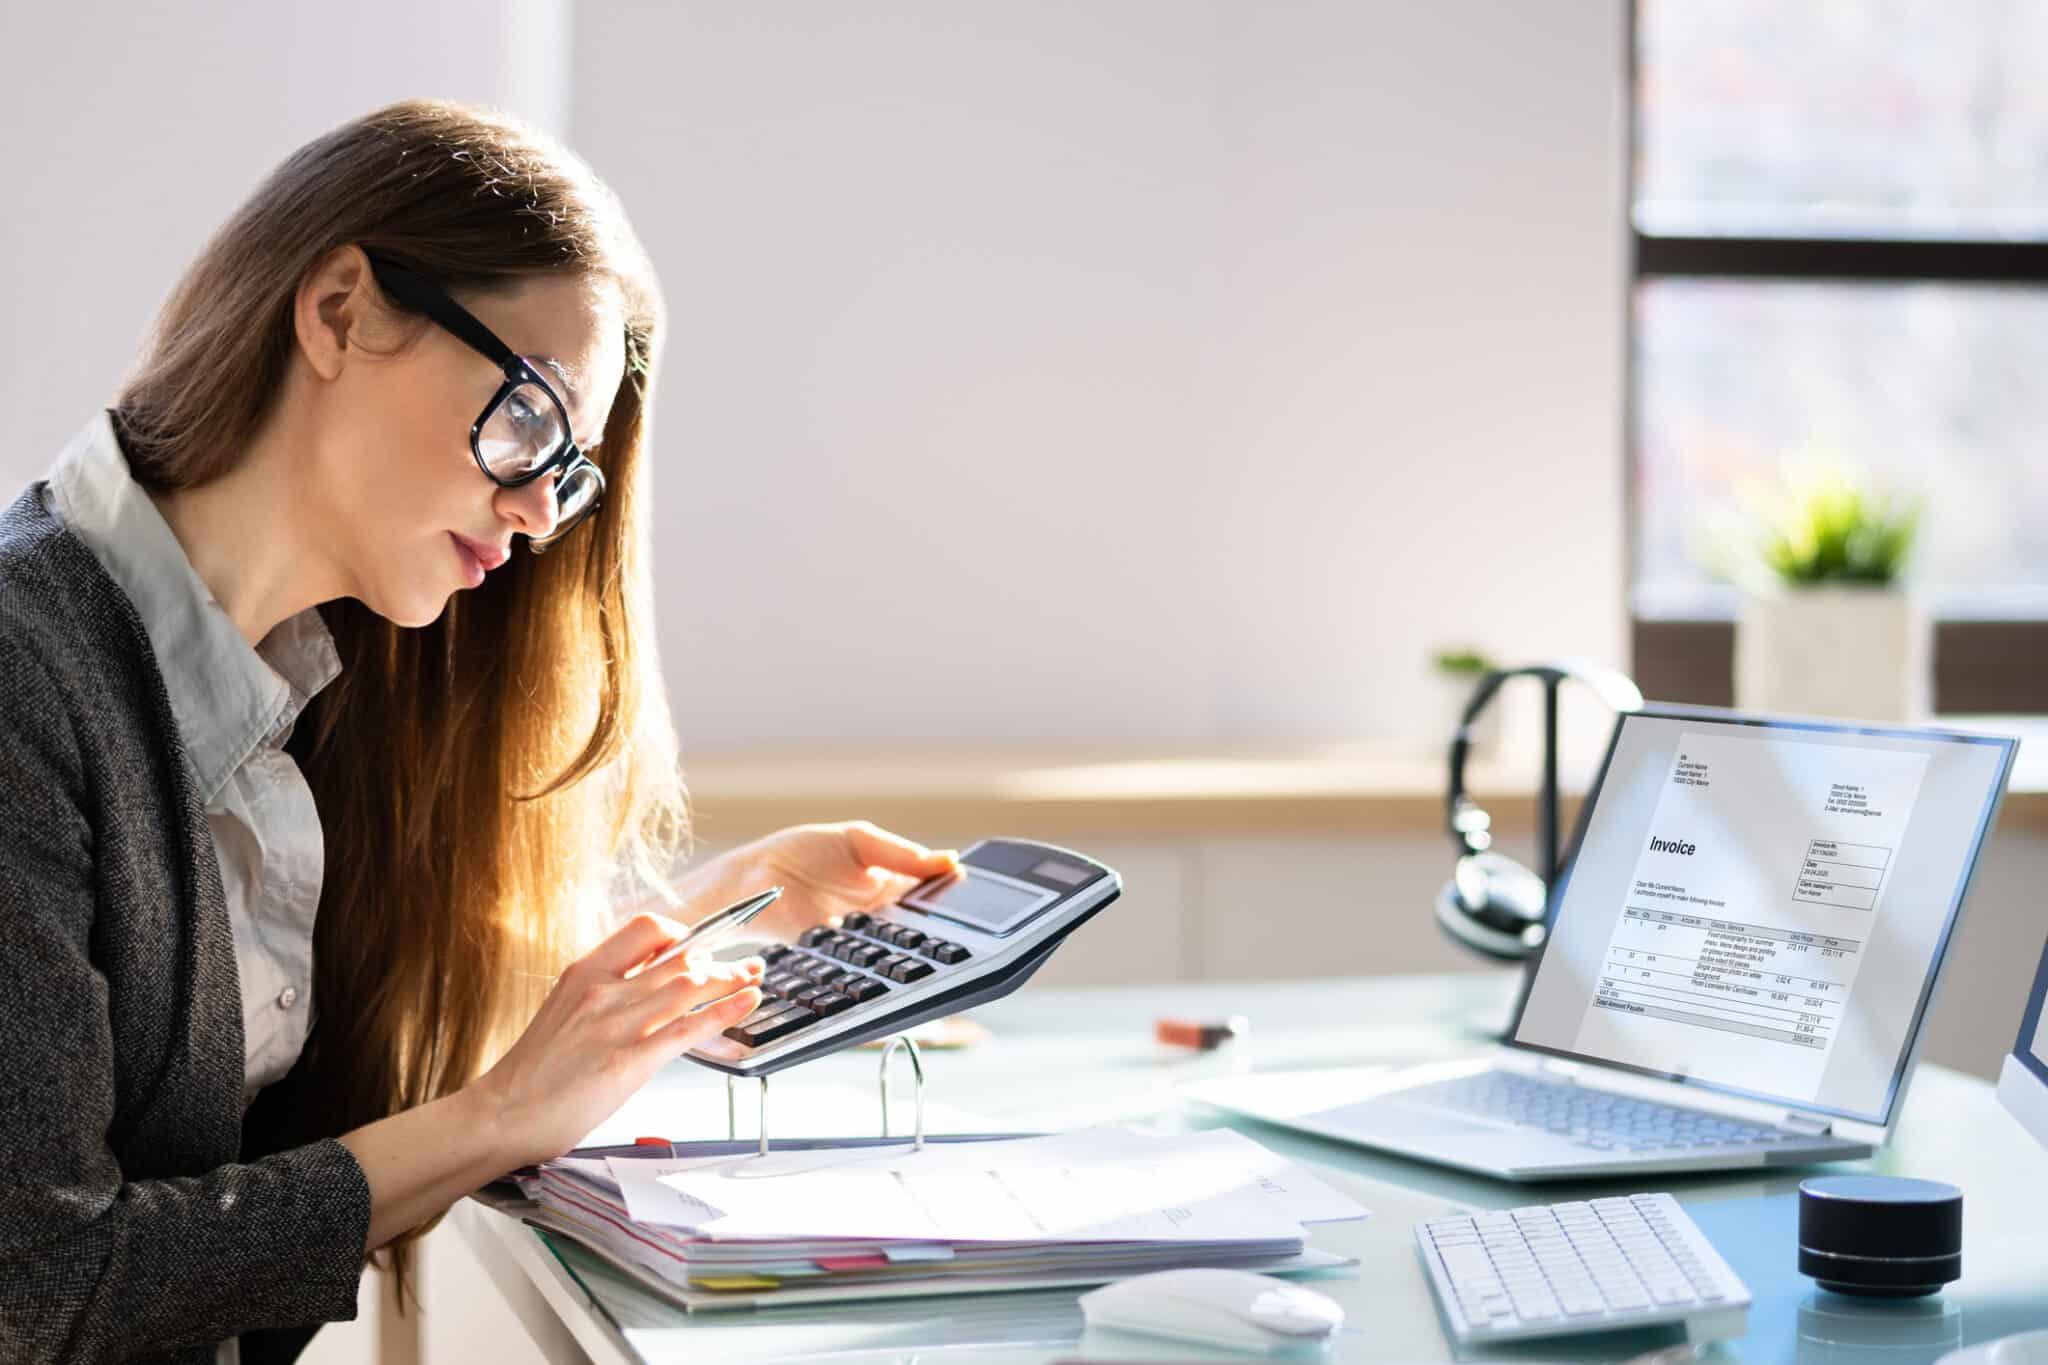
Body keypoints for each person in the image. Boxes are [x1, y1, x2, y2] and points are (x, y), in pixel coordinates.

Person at [0, 98, 956, 1364]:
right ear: (340, 311)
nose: (536, 517)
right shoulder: (25, 675)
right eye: (530, 420)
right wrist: (505, 1116)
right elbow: (41, 1287)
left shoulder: (313, 685)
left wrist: (693, 931)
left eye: (568, 471)